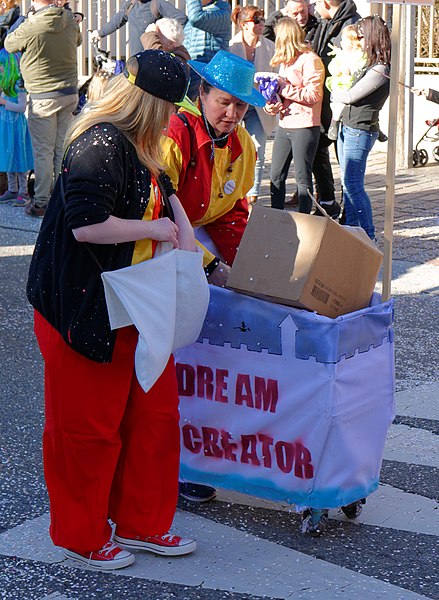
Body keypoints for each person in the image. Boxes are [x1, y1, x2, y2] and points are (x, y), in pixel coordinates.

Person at [26, 49, 201, 570]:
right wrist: (155, 231)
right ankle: (82, 535)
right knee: (87, 430)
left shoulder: (143, 146)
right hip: (80, 308)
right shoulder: (100, 143)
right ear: (150, 107)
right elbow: (85, 224)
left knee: (155, 418)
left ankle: (143, 524)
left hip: (134, 302)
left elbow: (169, 203)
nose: (175, 120)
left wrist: (190, 247)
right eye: (170, 110)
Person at [161, 50, 265, 503]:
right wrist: (208, 266)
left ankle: (201, 453)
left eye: (241, 107)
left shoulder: (244, 145)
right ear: (201, 92)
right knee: (175, 364)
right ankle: (176, 462)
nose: (232, 114)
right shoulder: (175, 135)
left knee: (211, 366)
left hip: (199, 246)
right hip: (160, 249)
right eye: (224, 101)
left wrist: (253, 273)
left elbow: (233, 214)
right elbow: (160, 211)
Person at [5, 0, 82, 218]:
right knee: (61, 149)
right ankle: (61, 197)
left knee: (43, 152)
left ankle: (41, 202)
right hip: (69, 94)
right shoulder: (69, 19)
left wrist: (24, 18)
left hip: (43, 97)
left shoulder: (32, 24)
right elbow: (78, 40)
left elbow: (10, 43)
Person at [334, 14, 391, 240]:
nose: (359, 40)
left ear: (373, 37)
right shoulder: (371, 65)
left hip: (360, 129)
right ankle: (351, 231)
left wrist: (334, 92)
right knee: (348, 183)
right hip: (349, 127)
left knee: (353, 184)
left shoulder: (380, 69)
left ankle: (368, 235)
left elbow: (349, 96)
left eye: (362, 35)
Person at [266, 17, 325, 214]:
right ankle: (276, 217)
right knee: (276, 175)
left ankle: (305, 220)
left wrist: (284, 88)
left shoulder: (311, 60)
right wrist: (273, 103)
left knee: (302, 177)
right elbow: (284, 94)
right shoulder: (287, 60)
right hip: (285, 125)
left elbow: (314, 95)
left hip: (305, 127)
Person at [309, 0, 361, 217]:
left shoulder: (352, 25)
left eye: (315, 2)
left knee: (345, 158)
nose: (312, 6)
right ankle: (328, 202)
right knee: (318, 147)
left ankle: (350, 210)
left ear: (326, 3)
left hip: (342, 102)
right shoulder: (323, 22)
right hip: (325, 99)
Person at [229, 5, 277, 206]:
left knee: (258, 149)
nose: (261, 24)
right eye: (256, 21)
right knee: (232, 148)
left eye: (262, 20)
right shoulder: (231, 46)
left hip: (259, 105)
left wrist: (272, 100)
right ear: (243, 25)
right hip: (235, 103)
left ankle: (253, 196)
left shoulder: (269, 46)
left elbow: (276, 77)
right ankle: (233, 191)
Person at [91, 0, 186, 57]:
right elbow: (117, 20)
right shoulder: (130, 4)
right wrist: (100, 33)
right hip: (136, 58)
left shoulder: (157, 3)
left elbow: (181, 18)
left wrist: (162, 28)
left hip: (154, 56)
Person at [0, 49, 33, 206]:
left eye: (2, 65)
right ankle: (12, 190)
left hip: (17, 128)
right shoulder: (4, 82)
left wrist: (4, 102)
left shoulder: (19, 83)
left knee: (19, 158)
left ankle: (23, 192)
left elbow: (21, 107)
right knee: (8, 157)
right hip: (6, 128)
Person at [183, 0, 232, 100]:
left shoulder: (222, 13)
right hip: (191, 80)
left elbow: (196, 18)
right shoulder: (196, 16)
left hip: (208, 82)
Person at [325, 24, 366, 140]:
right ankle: (335, 121)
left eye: (343, 40)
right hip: (341, 84)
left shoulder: (361, 55)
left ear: (352, 42)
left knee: (342, 104)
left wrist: (351, 70)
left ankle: (335, 121)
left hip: (352, 84)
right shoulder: (341, 55)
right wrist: (336, 70)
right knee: (336, 104)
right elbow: (333, 66)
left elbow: (360, 67)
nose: (341, 42)